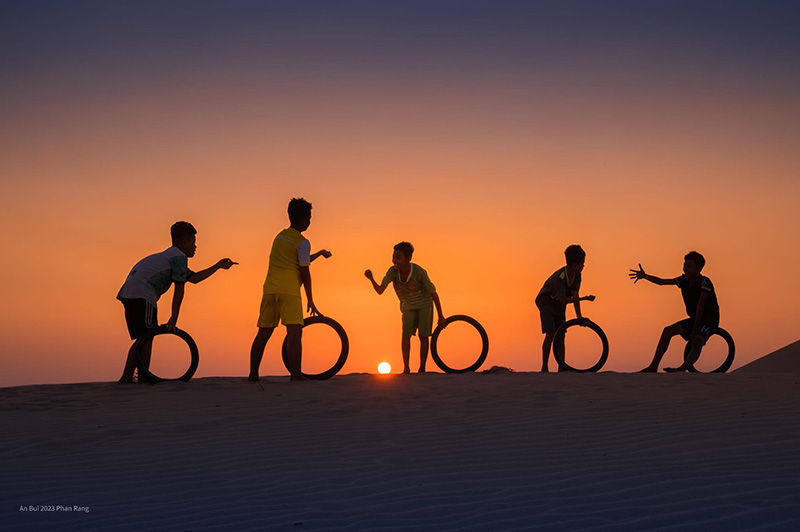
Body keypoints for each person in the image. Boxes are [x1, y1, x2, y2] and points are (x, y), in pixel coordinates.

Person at [117, 221, 237, 383]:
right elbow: (179, 289)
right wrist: (174, 317)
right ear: (184, 242)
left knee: (143, 337)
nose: (196, 247)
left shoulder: (169, 256)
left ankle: (128, 378)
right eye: (194, 242)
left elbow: (193, 279)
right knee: (146, 337)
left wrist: (218, 266)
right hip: (142, 294)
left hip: (129, 292)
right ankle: (143, 378)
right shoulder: (178, 257)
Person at [249, 198, 332, 382]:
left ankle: (253, 375)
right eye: (309, 218)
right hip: (289, 291)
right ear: (304, 220)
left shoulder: (279, 237)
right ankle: (296, 375)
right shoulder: (302, 241)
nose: (310, 222)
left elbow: (296, 259)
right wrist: (310, 299)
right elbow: (304, 271)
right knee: (294, 333)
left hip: (270, 289)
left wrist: (319, 253)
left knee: (263, 334)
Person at [630, 251, 721, 372]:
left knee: (698, 340)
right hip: (694, 318)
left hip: (709, 319)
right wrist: (645, 276)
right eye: (684, 265)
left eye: (689, 266)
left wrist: (694, 330)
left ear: (698, 268)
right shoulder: (683, 280)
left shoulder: (705, 282)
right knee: (668, 331)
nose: (685, 269)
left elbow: (700, 307)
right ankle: (653, 366)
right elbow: (662, 282)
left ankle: (682, 369)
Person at [365, 242, 445, 374]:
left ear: (408, 258)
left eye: (398, 257)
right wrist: (371, 279)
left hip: (425, 304)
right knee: (405, 336)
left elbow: (434, 294)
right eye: (393, 257)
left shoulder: (419, 272)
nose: (394, 260)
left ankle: (422, 368)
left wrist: (441, 316)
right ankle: (406, 368)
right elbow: (380, 290)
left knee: (423, 336)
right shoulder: (392, 272)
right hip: (407, 305)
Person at [535, 245, 596, 372]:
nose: (583, 266)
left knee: (561, 334)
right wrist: (584, 298)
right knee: (550, 333)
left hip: (559, 304)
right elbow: (564, 299)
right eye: (582, 263)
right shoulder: (560, 277)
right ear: (574, 265)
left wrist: (579, 317)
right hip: (546, 302)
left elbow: (574, 296)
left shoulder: (577, 275)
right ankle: (544, 367)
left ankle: (562, 367)